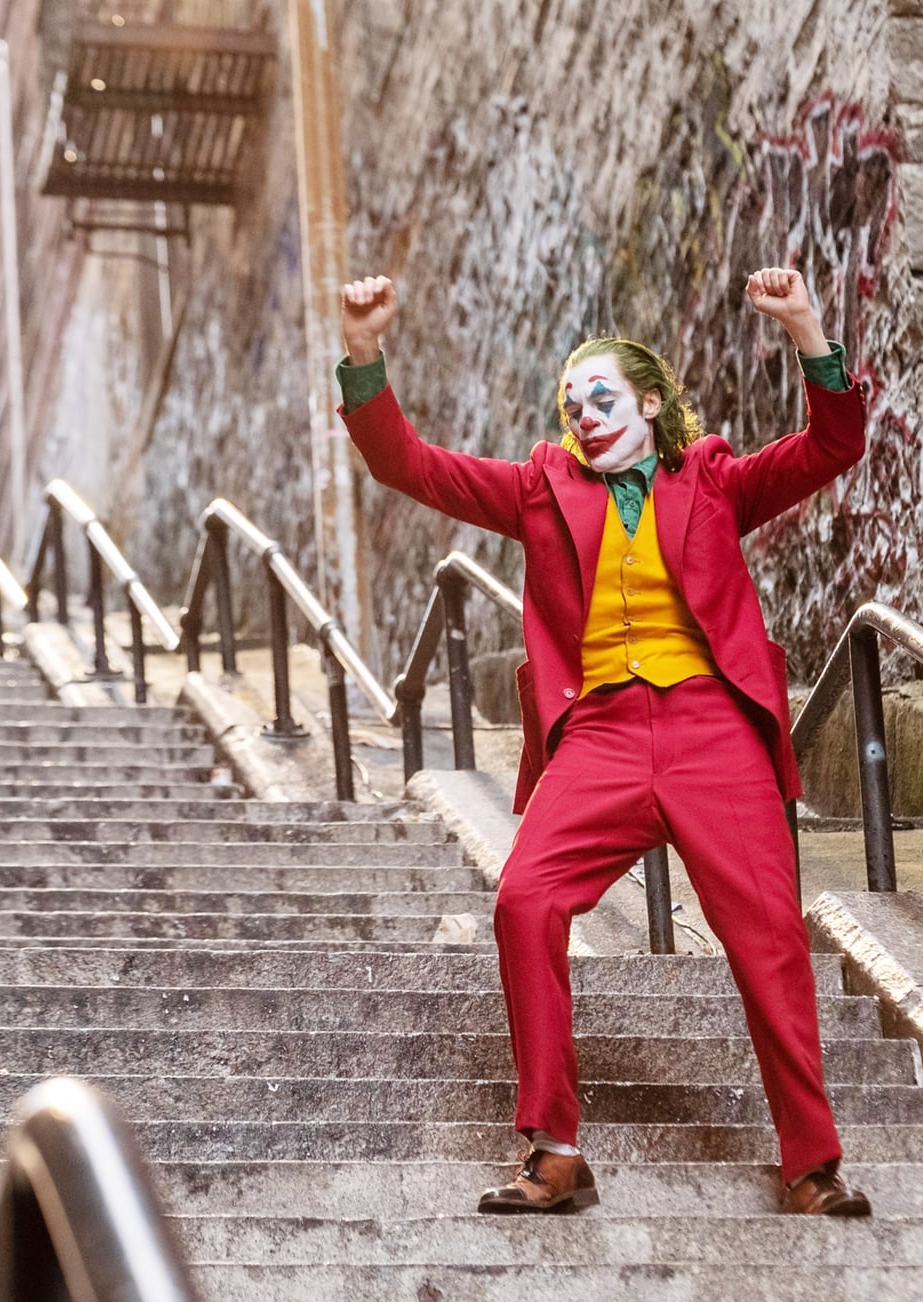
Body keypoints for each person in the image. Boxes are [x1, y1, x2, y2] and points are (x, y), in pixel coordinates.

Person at [336, 268, 872, 1217]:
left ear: (651, 402)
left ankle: (810, 1162)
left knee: (770, 935)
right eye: (571, 404)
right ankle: (555, 1148)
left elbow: (832, 445)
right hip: (601, 735)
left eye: (603, 398)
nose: (583, 415)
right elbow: (408, 465)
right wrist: (365, 354)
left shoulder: (708, 476)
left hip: (714, 729)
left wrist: (806, 329)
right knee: (526, 898)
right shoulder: (542, 487)